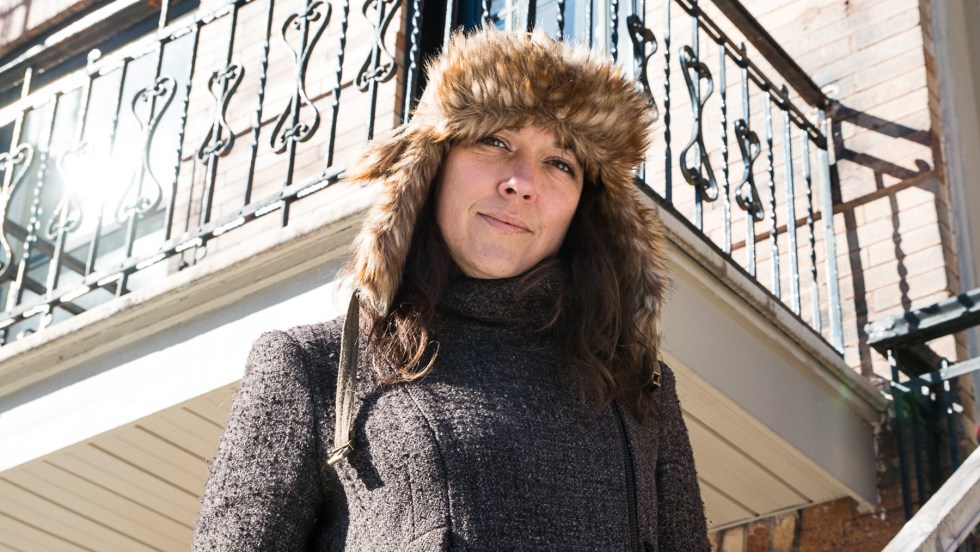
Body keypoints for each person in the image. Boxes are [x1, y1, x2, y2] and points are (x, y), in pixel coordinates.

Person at [193, 28, 710, 551]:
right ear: (431, 167)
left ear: (587, 208)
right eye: (495, 141)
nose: (521, 182)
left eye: (560, 163)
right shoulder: (315, 368)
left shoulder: (640, 388)